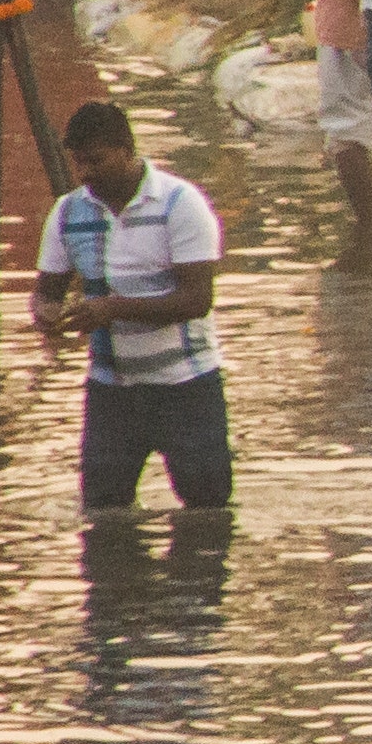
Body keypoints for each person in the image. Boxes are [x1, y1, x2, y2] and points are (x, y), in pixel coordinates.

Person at [29, 100, 224, 518]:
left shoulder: (180, 203)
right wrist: (48, 317)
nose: (85, 174)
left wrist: (112, 309)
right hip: (112, 389)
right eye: (79, 163)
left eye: (96, 161)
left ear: (126, 150)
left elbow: (197, 300)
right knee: (103, 511)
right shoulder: (68, 212)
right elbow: (46, 291)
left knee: (208, 509)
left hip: (186, 384)